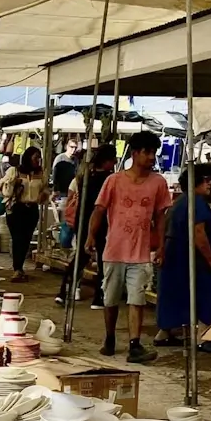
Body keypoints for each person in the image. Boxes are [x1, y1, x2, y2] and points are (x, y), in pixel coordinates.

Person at [86, 131, 172, 363]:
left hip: (141, 252)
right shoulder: (113, 181)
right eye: (148, 152)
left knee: (137, 298)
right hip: (114, 249)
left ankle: (135, 344)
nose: (152, 157)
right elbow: (99, 210)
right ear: (135, 153)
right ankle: (110, 337)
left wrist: (161, 246)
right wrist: (90, 236)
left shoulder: (158, 183)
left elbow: (161, 217)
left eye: (154, 153)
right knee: (110, 298)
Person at [154, 163, 211, 347]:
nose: (210, 184)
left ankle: (164, 332)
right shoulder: (196, 203)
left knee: (173, 293)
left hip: (175, 254)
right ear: (197, 181)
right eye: (207, 180)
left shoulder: (181, 201)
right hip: (188, 256)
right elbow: (198, 234)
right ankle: (206, 337)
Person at [56, 144, 117, 307]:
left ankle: (64, 289)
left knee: (81, 257)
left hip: (83, 221)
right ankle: (99, 295)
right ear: (107, 161)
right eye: (113, 159)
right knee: (103, 260)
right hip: (102, 223)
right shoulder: (109, 179)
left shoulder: (85, 177)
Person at [0, 146, 47, 282]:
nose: (38, 160)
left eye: (39, 157)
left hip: (32, 209)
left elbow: (45, 189)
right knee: (17, 238)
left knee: (26, 239)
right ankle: (17, 268)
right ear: (28, 157)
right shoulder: (15, 171)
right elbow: (0, 186)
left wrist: (44, 195)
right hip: (16, 208)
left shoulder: (41, 173)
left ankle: (19, 268)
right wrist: (12, 183)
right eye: (35, 157)